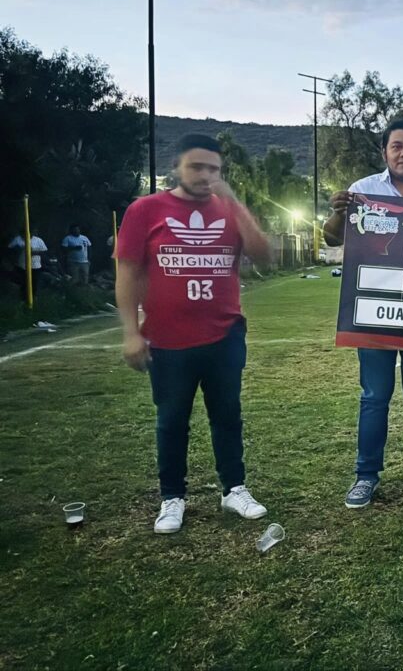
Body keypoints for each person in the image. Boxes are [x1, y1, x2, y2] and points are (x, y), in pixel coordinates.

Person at [116, 134, 271, 534]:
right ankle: (173, 497)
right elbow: (128, 272)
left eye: (214, 169)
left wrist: (234, 201)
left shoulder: (228, 209)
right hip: (167, 339)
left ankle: (234, 488)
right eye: (196, 167)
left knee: (227, 415)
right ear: (178, 167)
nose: (205, 176)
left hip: (224, 334)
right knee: (171, 419)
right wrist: (131, 332)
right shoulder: (146, 209)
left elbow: (264, 255)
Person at [323, 118, 403, 509]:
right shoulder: (363, 191)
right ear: (385, 152)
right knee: (374, 395)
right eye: (397, 146)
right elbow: (333, 237)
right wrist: (336, 211)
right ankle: (366, 476)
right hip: (374, 310)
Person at [8, 228, 47, 300]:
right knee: (23, 282)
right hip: (21, 265)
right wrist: (18, 250)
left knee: (34, 282)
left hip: (35, 265)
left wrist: (33, 252)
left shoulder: (38, 240)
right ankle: (22, 298)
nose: (32, 233)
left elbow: (44, 251)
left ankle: (33, 297)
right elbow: (10, 249)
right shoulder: (18, 239)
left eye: (33, 231)